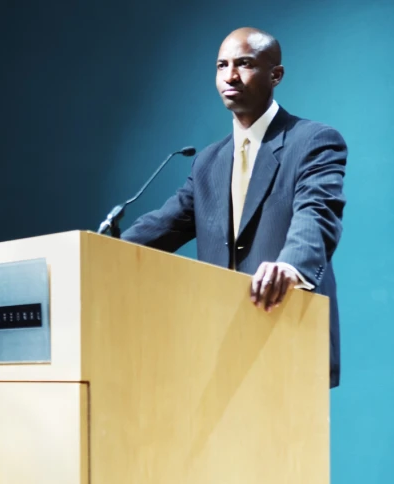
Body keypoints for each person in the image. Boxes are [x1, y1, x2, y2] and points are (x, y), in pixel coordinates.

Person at [121, 27, 347, 387]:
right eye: (221, 65)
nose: (230, 75)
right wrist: (94, 249)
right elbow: (164, 224)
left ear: (276, 74)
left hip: (288, 330)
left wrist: (289, 266)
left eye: (244, 64)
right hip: (218, 346)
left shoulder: (314, 141)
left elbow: (317, 213)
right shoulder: (208, 161)